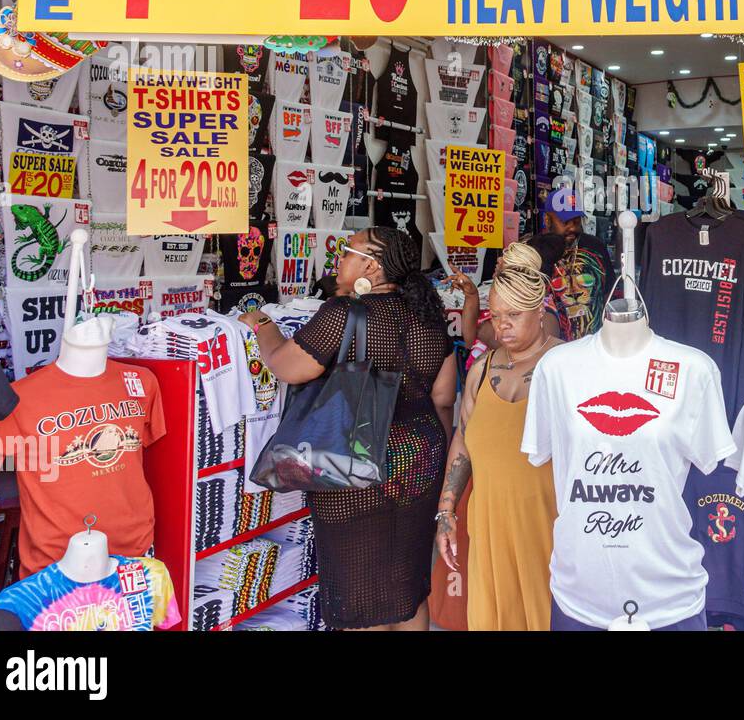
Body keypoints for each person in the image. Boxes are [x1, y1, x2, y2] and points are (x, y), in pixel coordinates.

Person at [240, 228, 458, 631]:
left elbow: (287, 365)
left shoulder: (345, 314)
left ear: (371, 267)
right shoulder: (429, 316)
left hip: (353, 462)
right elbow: (444, 399)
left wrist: (263, 324)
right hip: (419, 461)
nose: (338, 259)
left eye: (346, 252)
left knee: (359, 591)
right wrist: (436, 463)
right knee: (408, 587)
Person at [435, 261, 561, 630]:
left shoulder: (566, 365)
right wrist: (446, 511)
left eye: (514, 315)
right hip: (490, 527)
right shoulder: (481, 369)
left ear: (540, 313)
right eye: (496, 314)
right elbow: (463, 440)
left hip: (548, 527)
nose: (501, 324)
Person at [449, 236, 569, 348]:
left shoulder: (545, 312)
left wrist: (486, 333)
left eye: (514, 314)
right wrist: (471, 295)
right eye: (495, 316)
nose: (500, 259)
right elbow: (470, 339)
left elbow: (538, 354)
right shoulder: (502, 300)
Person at [541, 186, 617, 340]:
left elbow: (609, 292)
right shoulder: (535, 250)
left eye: (577, 221)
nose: (573, 228)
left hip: (594, 343)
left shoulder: (594, 246)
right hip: (553, 346)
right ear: (547, 220)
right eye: (565, 222)